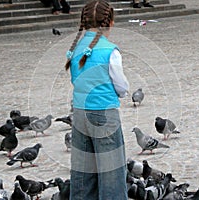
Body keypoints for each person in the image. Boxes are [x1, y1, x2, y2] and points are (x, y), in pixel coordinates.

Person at [64, 0, 129, 199]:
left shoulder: (75, 50)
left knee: (83, 174)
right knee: (111, 175)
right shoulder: (110, 50)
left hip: (80, 116)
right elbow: (121, 87)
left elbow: (76, 80)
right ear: (110, 22)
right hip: (105, 115)